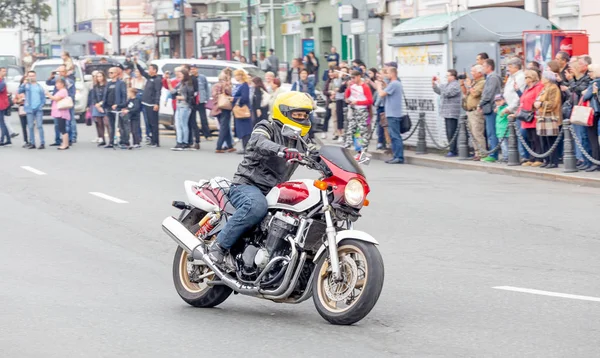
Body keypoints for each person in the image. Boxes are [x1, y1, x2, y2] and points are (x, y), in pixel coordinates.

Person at [207, 91, 313, 265]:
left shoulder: (301, 138)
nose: (302, 118)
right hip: (248, 185)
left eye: (304, 115)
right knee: (256, 206)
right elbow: (257, 141)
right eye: (297, 115)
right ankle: (218, 247)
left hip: (275, 190)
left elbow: (316, 151)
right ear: (284, 113)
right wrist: (281, 149)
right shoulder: (267, 127)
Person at [566, 56, 592, 170]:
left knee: (583, 137)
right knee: (579, 136)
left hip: (584, 110)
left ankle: (586, 160)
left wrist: (571, 80)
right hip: (577, 108)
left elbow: (578, 90)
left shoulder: (586, 79)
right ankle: (582, 159)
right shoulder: (579, 78)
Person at [534, 71, 563, 169]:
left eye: (543, 77)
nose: (541, 79)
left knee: (551, 140)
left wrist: (541, 104)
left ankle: (553, 160)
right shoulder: (544, 88)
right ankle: (547, 160)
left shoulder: (553, 88)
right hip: (543, 116)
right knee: (545, 140)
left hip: (551, 116)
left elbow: (553, 103)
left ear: (547, 78)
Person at [377, 67, 404, 164]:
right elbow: (387, 90)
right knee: (393, 135)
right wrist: (384, 84)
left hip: (393, 114)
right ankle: (396, 155)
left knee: (395, 136)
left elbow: (381, 94)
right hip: (391, 113)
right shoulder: (393, 84)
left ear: (392, 74)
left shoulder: (394, 84)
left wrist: (379, 86)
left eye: (387, 73)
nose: (385, 75)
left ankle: (399, 156)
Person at [518, 70, 544, 167]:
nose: (525, 79)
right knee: (530, 138)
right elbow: (522, 101)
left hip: (533, 116)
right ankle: (532, 157)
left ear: (531, 78)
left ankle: (539, 158)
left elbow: (538, 99)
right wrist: (518, 113)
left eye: (526, 77)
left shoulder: (538, 87)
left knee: (536, 138)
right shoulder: (527, 88)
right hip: (526, 117)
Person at [433, 69, 462, 157]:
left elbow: (447, 93)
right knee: (448, 132)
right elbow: (440, 92)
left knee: (451, 132)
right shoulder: (447, 85)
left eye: (448, 76)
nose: (446, 77)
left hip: (452, 111)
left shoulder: (456, 85)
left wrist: (440, 83)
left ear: (453, 76)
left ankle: (453, 150)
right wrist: (434, 85)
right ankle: (451, 149)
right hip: (446, 111)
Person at [504, 57, 528, 161]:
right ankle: (517, 154)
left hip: (518, 109)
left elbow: (519, 95)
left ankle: (524, 155)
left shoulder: (521, 77)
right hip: (511, 108)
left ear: (515, 66)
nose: (508, 68)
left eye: (509, 66)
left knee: (520, 133)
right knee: (514, 134)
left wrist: (510, 107)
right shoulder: (511, 77)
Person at [478, 59, 503, 162]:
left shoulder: (493, 78)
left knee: (492, 132)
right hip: (488, 108)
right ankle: (492, 153)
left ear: (489, 67)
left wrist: (480, 103)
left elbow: (489, 93)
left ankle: (493, 154)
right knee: (489, 132)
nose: (482, 68)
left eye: (484, 66)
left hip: (491, 108)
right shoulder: (489, 78)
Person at [461, 65, 486, 161]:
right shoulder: (474, 82)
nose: (471, 73)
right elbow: (466, 93)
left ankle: (482, 153)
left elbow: (475, 93)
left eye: (473, 71)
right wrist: (462, 84)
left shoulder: (482, 82)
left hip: (476, 111)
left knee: (477, 132)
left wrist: (470, 85)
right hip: (470, 111)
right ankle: (477, 152)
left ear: (480, 73)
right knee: (472, 133)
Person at [46, 65, 76, 145]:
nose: (61, 73)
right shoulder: (57, 80)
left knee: (67, 123)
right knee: (57, 124)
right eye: (59, 72)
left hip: (65, 105)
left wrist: (66, 101)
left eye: (62, 72)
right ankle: (57, 140)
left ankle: (68, 140)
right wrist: (51, 76)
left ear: (66, 73)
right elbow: (48, 83)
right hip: (57, 105)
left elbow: (72, 94)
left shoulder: (70, 81)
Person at [345, 70, 374, 153]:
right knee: (350, 129)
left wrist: (358, 102)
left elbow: (370, 100)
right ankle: (346, 147)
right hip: (353, 109)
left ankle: (363, 149)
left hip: (362, 110)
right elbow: (347, 96)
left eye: (353, 78)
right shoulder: (352, 86)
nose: (352, 80)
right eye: (351, 78)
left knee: (362, 131)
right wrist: (348, 90)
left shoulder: (365, 87)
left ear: (358, 77)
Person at [135, 58, 162, 147]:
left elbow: (158, 92)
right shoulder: (149, 77)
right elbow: (142, 72)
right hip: (146, 102)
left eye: (150, 69)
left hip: (152, 104)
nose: (149, 70)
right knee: (149, 123)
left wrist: (156, 103)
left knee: (154, 123)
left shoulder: (157, 79)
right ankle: (151, 139)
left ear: (154, 70)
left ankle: (156, 141)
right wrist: (137, 63)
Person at [168, 67, 195, 150]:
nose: (179, 75)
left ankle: (185, 142)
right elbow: (173, 91)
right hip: (179, 106)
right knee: (178, 124)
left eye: (181, 74)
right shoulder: (180, 83)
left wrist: (181, 97)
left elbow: (190, 96)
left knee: (184, 124)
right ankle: (179, 142)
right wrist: (168, 83)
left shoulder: (188, 84)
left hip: (185, 106)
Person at [19, 70, 46, 149]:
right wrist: (24, 83)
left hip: (38, 109)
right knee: (30, 126)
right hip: (29, 109)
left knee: (39, 126)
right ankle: (32, 143)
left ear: (35, 76)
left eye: (33, 75)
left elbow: (43, 98)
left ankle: (42, 143)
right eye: (30, 76)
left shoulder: (39, 86)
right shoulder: (27, 86)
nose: (31, 77)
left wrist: (41, 105)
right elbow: (20, 91)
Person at [101, 67, 127, 148]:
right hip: (109, 107)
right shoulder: (108, 83)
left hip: (118, 107)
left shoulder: (121, 83)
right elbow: (106, 94)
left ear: (116, 73)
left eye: (111, 73)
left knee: (121, 125)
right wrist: (104, 104)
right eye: (109, 73)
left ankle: (124, 141)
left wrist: (122, 105)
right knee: (111, 125)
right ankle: (111, 142)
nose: (110, 74)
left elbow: (124, 95)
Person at [581, 64, 600, 172]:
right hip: (596, 112)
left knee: (592, 138)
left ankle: (595, 162)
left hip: (593, 113)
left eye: (591, 71)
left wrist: (586, 92)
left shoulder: (595, 83)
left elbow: (585, 97)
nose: (589, 74)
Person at [211, 71, 236, 154]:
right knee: (224, 128)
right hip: (225, 108)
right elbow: (230, 93)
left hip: (217, 108)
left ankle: (230, 146)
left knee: (224, 127)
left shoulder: (215, 86)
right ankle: (219, 146)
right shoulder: (225, 86)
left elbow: (214, 95)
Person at [47, 78, 71, 150]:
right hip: (59, 112)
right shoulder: (61, 91)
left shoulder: (63, 91)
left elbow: (56, 98)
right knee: (61, 128)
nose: (56, 85)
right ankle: (64, 143)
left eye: (57, 83)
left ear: (62, 84)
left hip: (61, 112)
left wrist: (48, 94)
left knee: (62, 128)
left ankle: (65, 144)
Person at [232, 69, 252, 153]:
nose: (235, 77)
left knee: (246, 130)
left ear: (240, 76)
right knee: (241, 129)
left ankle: (246, 148)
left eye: (236, 75)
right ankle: (244, 147)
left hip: (243, 110)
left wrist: (234, 99)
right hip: (238, 110)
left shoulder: (244, 85)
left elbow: (245, 98)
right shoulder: (238, 85)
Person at [191, 65, 211, 145]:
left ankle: (207, 134)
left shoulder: (202, 77)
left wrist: (207, 98)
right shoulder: (190, 78)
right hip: (193, 101)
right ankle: (195, 134)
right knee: (193, 119)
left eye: (194, 69)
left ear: (197, 69)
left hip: (201, 100)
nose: (193, 70)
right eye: (191, 69)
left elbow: (207, 88)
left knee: (203, 118)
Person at [91, 72, 108, 146]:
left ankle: (111, 140)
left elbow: (107, 96)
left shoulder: (107, 85)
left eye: (100, 76)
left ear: (103, 77)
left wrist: (101, 104)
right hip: (97, 106)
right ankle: (102, 139)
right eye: (97, 77)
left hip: (105, 105)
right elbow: (93, 97)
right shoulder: (95, 86)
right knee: (99, 123)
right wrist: (97, 105)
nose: (99, 78)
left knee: (107, 123)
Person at [494, 94, 510, 162]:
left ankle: (506, 157)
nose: (498, 102)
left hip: (505, 130)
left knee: (506, 145)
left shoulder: (506, 108)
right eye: (496, 101)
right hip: (500, 130)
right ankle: (505, 156)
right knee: (502, 145)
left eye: (500, 100)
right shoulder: (498, 109)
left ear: (504, 100)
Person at [15, 76, 29, 148]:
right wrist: (19, 101)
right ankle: (25, 140)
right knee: (24, 126)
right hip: (22, 108)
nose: (26, 81)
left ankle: (31, 140)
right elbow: (15, 100)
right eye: (25, 80)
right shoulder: (19, 90)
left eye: (27, 80)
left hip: (30, 109)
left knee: (31, 125)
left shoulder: (31, 89)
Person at [0, 67, 11, 147]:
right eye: (3, 71)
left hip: (1, 104)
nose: (5, 72)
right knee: (2, 122)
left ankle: (2, 140)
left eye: (5, 71)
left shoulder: (2, 82)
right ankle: (8, 139)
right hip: (2, 103)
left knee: (2, 122)